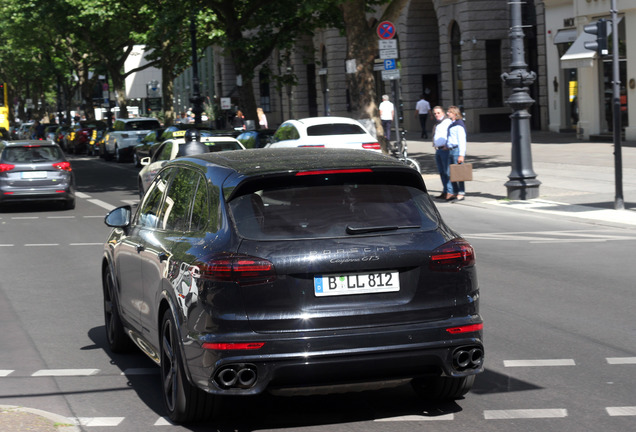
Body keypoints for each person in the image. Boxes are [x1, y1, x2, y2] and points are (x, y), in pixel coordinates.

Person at [431, 106, 453, 200]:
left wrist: (447, 145)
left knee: (447, 172)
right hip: (438, 149)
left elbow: (451, 134)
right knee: (441, 172)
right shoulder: (438, 123)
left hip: (445, 150)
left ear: (443, 113)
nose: (436, 115)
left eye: (438, 113)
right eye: (435, 113)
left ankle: (450, 191)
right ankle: (445, 191)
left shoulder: (447, 122)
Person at [446, 106, 467, 201]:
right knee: (451, 173)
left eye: (449, 112)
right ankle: (455, 192)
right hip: (450, 150)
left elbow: (462, 140)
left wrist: (461, 155)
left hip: (456, 150)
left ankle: (461, 193)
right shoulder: (452, 124)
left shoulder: (459, 125)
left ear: (455, 114)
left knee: (459, 173)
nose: (447, 113)